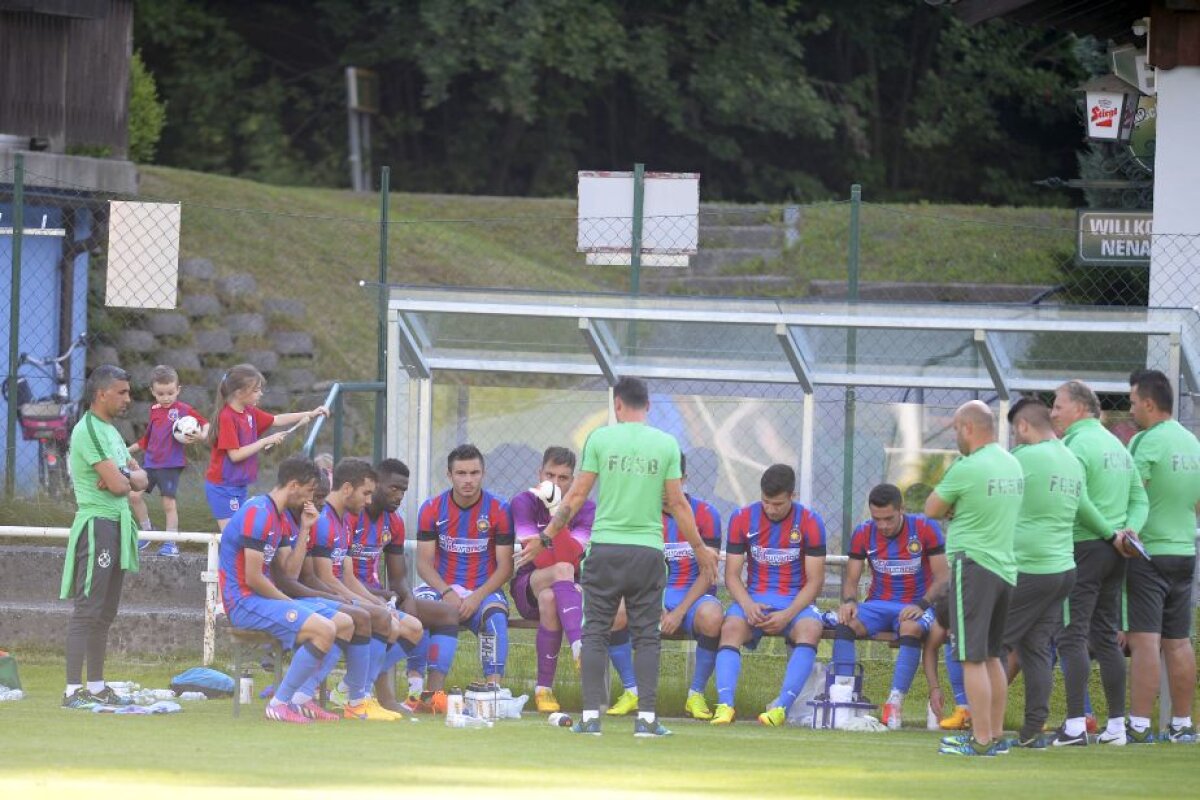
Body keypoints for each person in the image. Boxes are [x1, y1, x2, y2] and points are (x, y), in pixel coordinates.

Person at [517, 377, 716, 737]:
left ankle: (591, 718)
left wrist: (545, 537)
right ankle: (647, 720)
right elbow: (677, 503)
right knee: (646, 637)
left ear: (618, 406)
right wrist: (701, 549)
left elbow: (575, 497)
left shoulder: (601, 439)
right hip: (647, 552)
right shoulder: (666, 444)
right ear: (649, 407)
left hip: (605, 550)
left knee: (594, 633)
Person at [216, 456, 358, 724]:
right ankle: (279, 703)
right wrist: (293, 604)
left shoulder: (278, 517)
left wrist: (305, 529)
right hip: (243, 603)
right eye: (309, 491)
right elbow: (254, 577)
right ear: (294, 485)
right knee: (324, 629)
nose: (312, 499)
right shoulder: (257, 513)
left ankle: (302, 698)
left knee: (345, 623)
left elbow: (290, 572)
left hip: (262, 600)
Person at [1049, 379, 1147, 746]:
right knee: (1106, 636)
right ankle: (1117, 728)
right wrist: (1128, 533)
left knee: (1071, 634)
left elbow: (1078, 498)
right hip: (1116, 552)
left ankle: (1075, 725)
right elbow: (1140, 498)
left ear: (1079, 408)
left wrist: (1109, 533)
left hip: (1087, 547)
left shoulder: (1073, 444)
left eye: (1058, 406)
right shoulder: (1116, 445)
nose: (1053, 413)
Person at [925, 400, 1023, 757]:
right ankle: (994, 735)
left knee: (972, 658)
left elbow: (931, 508)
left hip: (974, 567)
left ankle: (980, 740)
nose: (955, 435)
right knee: (994, 655)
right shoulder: (1012, 463)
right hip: (1005, 568)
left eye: (955, 428)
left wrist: (954, 506)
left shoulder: (967, 467)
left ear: (968, 428)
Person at [60, 365, 149, 709]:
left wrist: (123, 474)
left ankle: (96, 686)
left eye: (128, 392)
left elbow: (141, 480)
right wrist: (123, 478)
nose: (128, 398)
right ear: (101, 394)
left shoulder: (111, 432)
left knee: (106, 611)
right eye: (122, 392)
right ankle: (71, 692)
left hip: (119, 523)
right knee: (88, 608)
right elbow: (118, 485)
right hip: (98, 525)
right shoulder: (90, 431)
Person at [711, 464, 826, 728]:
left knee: (810, 628)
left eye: (778, 504)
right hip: (755, 600)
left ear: (792, 496)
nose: (771, 509)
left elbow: (816, 581)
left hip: (795, 603)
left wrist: (788, 614)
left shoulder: (810, 521)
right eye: (766, 502)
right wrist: (748, 605)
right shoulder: (742, 518)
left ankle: (780, 709)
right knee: (730, 628)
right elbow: (731, 575)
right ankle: (725, 706)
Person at [306, 458, 419, 721]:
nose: (368, 500)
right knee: (380, 620)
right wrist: (366, 605)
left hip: (339, 594)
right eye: (366, 493)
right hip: (320, 598)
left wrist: (373, 601)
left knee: (412, 627)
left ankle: (347, 689)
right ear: (347, 489)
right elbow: (325, 578)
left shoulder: (343, 522)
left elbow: (347, 576)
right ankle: (358, 697)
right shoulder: (324, 521)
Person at [1001, 397, 1084, 748]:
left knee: (992, 644)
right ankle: (1033, 728)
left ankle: (984, 729)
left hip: (1028, 568)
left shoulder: (1022, 459)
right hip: (1062, 569)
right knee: (1035, 648)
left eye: (1014, 432)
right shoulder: (1071, 459)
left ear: (1022, 426)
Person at [1125, 368, 1200, 744]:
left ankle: (1139, 725)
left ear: (1149, 404)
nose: (1131, 409)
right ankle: (1182, 725)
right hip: (1185, 551)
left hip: (1148, 553)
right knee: (1179, 640)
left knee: (1145, 641)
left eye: (1134, 402)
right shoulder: (1192, 443)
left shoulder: (1145, 442)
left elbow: (1130, 492)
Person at [835, 482, 946, 730]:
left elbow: (942, 577)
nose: (883, 525)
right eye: (877, 519)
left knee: (910, 628)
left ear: (902, 509)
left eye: (889, 519)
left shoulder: (925, 528)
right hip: (877, 604)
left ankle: (894, 701)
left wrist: (922, 603)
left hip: (915, 604)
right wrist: (850, 602)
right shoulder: (863, 532)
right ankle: (842, 698)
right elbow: (851, 579)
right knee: (845, 623)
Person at [358, 458, 460, 713]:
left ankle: (430, 697)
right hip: (355, 595)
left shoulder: (394, 522)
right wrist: (385, 597)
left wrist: (408, 599)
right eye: (393, 488)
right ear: (375, 484)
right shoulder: (352, 516)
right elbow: (339, 576)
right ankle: (366, 690)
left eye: (403, 490)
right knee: (391, 621)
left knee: (447, 613)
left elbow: (398, 576)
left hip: (381, 595)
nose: (399, 496)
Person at [415, 444, 514, 689]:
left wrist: (476, 597)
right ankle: (425, 691)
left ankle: (493, 690)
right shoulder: (431, 508)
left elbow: (505, 568)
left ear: (483, 473)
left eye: (474, 473)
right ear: (449, 475)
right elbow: (423, 564)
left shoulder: (500, 509)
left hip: (483, 590)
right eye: (461, 473)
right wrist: (448, 593)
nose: (468, 480)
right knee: (418, 611)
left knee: (495, 616)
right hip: (441, 588)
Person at [204, 363, 329, 530]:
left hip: (238, 484)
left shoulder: (249, 412)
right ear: (239, 393)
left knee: (240, 533)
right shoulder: (227, 417)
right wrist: (264, 441)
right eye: (256, 391)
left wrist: (311, 414)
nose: (260, 394)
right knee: (231, 535)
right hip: (223, 487)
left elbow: (276, 419)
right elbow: (235, 455)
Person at [660, 453, 724, 720]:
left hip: (694, 597)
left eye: (670, 481)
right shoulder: (640, 516)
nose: (663, 489)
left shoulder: (706, 514)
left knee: (712, 617)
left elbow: (708, 573)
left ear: (683, 480)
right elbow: (636, 570)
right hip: (653, 596)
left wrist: (677, 612)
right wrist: (655, 607)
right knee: (617, 612)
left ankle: (695, 694)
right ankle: (634, 692)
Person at [127, 364, 209, 557]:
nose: (166, 398)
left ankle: (171, 543)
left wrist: (202, 436)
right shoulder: (154, 410)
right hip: (150, 464)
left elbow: (206, 423)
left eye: (170, 393)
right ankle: (147, 531)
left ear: (178, 390)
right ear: (153, 392)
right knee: (134, 496)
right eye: (161, 393)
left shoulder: (183, 410)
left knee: (168, 504)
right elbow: (147, 439)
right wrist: (126, 450)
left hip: (170, 465)